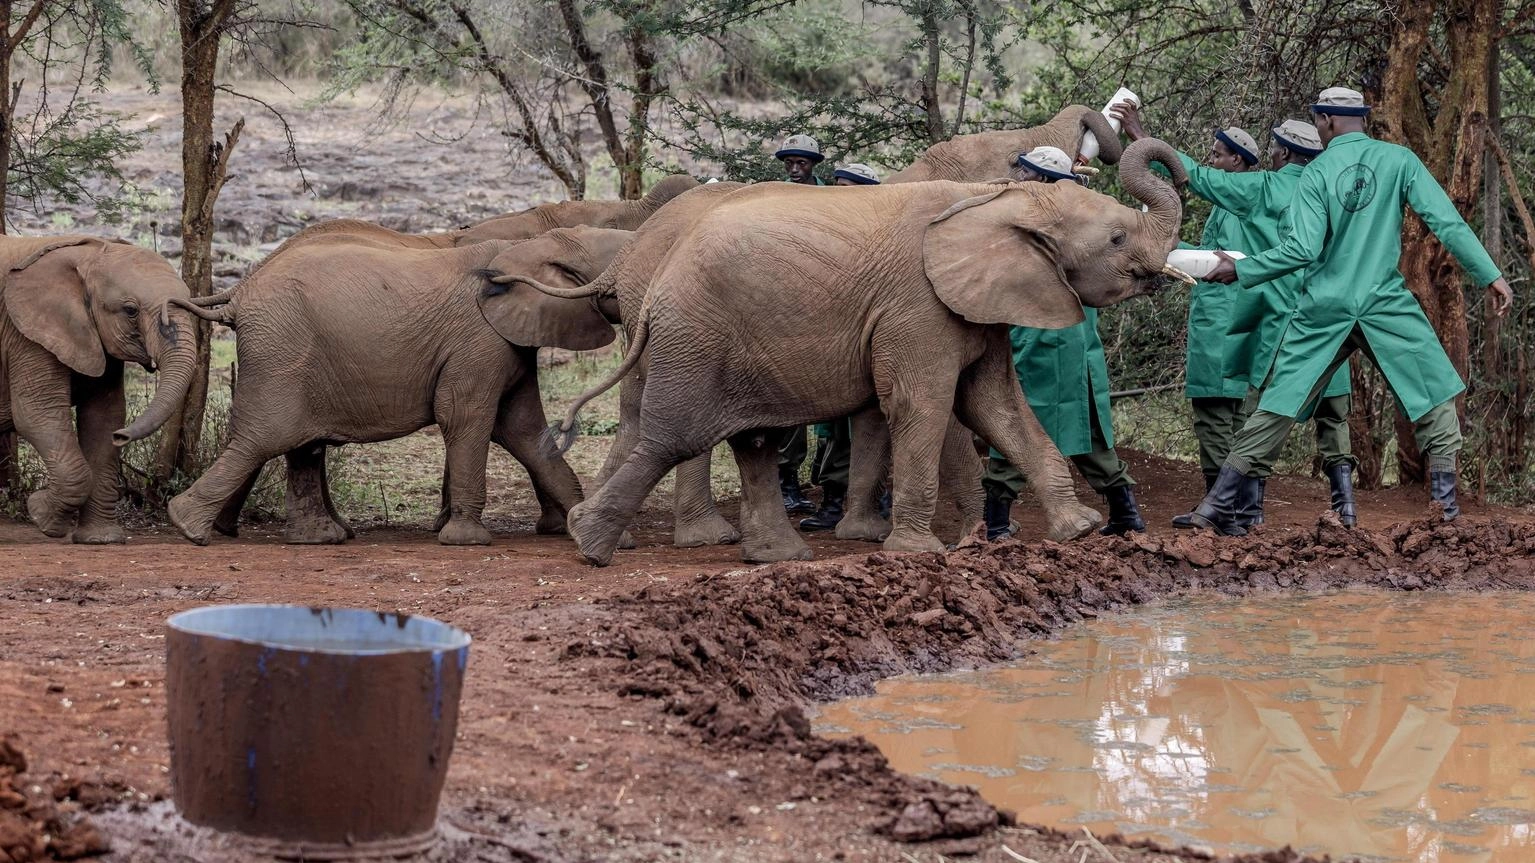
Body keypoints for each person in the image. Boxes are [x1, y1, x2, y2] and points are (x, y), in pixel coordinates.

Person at [1183, 87, 1514, 534]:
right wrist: (1490, 274)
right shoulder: (1400, 161)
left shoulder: (1316, 174)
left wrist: (1239, 271)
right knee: (1435, 396)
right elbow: (1446, 222)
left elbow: (1299, 249)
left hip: (1324, 307)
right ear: (1360, 118)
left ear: (1326, 121)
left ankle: (1215, 506)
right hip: (1383, 301)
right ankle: (1446, 514)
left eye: (1318, 120)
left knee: (1277, 405)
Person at [1114, 105, 1357, 528]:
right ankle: (1336, 510)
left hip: (1246, 313)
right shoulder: (1335, 194)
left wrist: (1143, 139)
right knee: (1317, 413)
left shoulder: (1261, 191)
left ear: (1281, 154)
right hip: (1323, 316)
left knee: (1233, 410)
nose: (1215, 161)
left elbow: (1199, 180)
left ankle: (1229, 509)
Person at [984, 147, 1145, 540]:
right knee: (1084, 428)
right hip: (1074, 338)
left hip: (1041, 336)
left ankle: (996, 523)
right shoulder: (1085, 222)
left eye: (1024, 172)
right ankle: (1126, 513)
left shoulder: (1034, 224)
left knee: (1018, 424)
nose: (1017, 177)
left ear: (1041, 181)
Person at [797, 161, 885, 531]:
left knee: (873, 430)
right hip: (832, 350)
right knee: (833, 432)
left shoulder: (880, 236)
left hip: (869, 348)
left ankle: (870, 504)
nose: (837, 193)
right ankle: (833, 504)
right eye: (836, 185)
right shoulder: (823, 234)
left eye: (847, 187)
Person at [772, 133, 827, 514]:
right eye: (789, 163)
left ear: (814, 165)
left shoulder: (835, 198)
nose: (795, 169)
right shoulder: (771, 198)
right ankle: (785, 480)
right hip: (783, 309)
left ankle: (831, 484)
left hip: (827, 307)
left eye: (802, 163)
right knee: (784, 397)